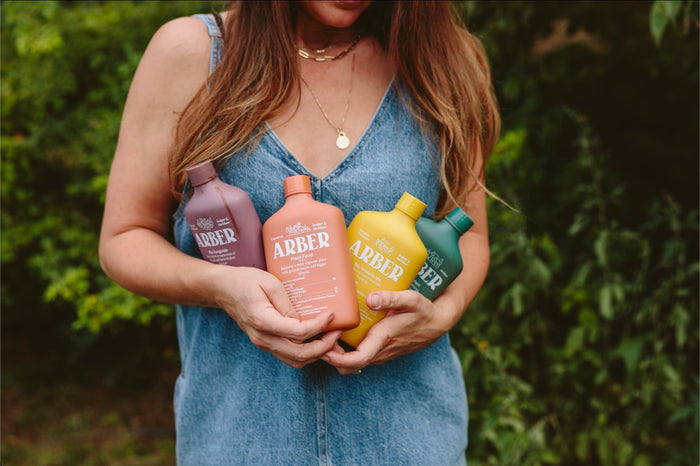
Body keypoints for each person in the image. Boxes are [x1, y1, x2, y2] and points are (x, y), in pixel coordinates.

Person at [99, 1, 499, 464]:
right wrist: (223, 287)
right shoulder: (190, 54)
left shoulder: (446, 58)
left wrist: (441, 315)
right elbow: (125, 237)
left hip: (410, 439)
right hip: (241, 438)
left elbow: (467, 234)